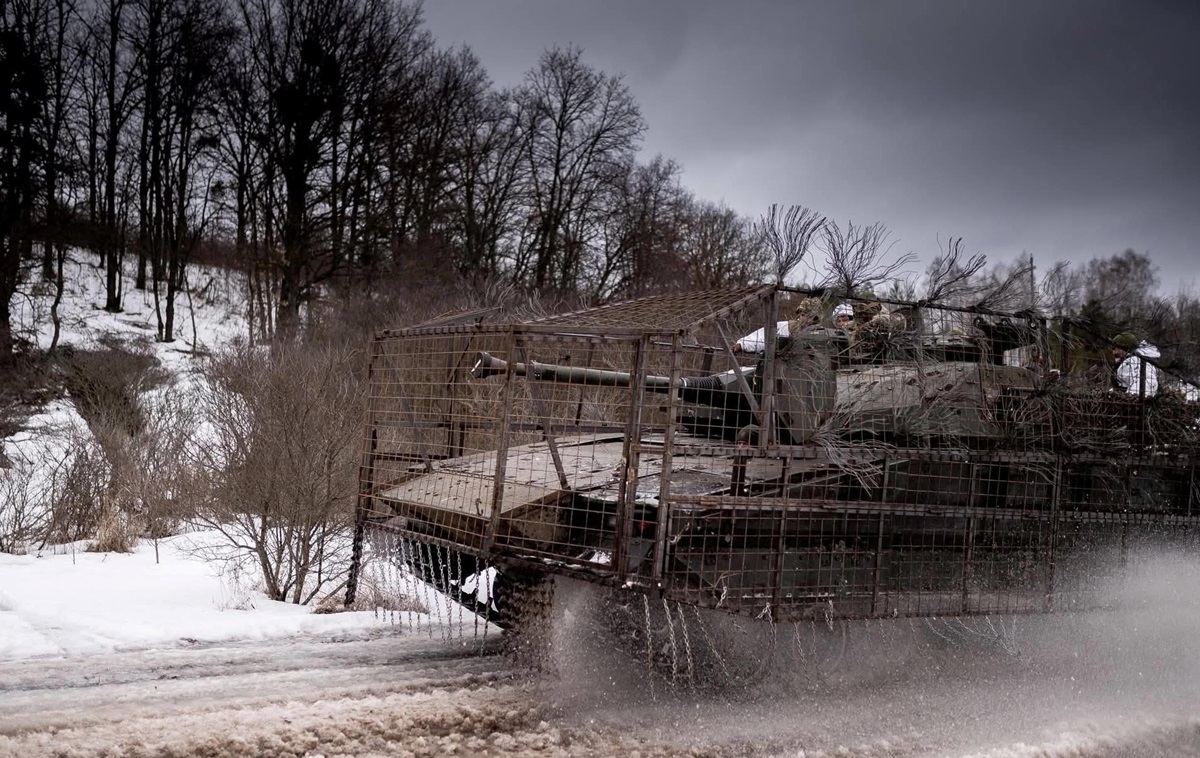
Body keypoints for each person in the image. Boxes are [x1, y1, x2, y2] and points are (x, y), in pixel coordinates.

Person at [734, 297, 822, 354]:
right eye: (801, 314)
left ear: (815, 318)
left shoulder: (824, 334)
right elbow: (762, 338)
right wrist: (742, 344)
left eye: (807, 315)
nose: (802, 317)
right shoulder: (787, 328)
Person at [1112, 332, 1160, 397]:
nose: (1114, 352)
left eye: (1115, 348)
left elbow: (1145, 384)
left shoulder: (1133, 362)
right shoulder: (1130, 361)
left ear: (1125, 348)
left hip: (1135, 401)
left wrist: (1129, 399)